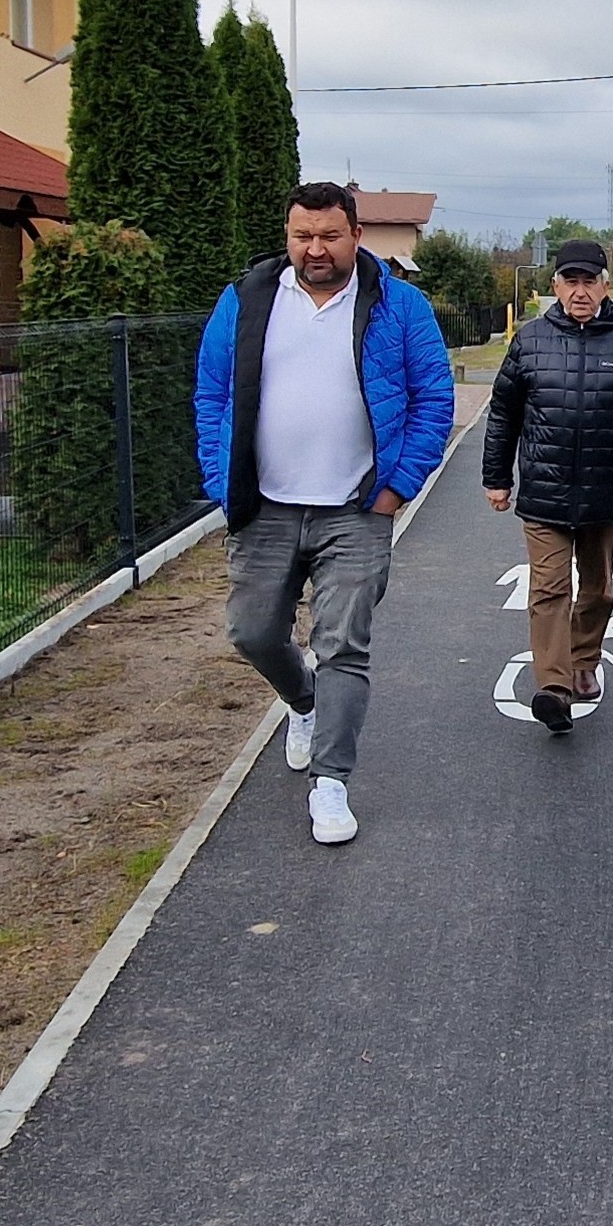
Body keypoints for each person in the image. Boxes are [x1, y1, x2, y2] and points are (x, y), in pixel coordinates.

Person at [195, 181, 455, 847]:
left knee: (342, 644)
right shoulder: (246, 299)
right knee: (252, 632)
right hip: (265, 505)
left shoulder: (400, 306)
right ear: (287, 236)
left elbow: (433, 396)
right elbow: (212, 392)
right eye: (302, 236)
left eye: (329, 236)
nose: (315, 249)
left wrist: (396, 489)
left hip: (356, 508)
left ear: (355, 236)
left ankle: (331, 781)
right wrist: (223, 481)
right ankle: (303, 701)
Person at [481, 238, 613, 734]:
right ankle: (553, 687)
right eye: (570, 282)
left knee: (597, 590)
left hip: (602, 493)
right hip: (544, 493)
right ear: (555, 286)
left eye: (589, 281)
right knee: (550, 588)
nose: (580, 291)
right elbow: (503, 414)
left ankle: (584, 658)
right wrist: (496, 477)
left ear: (605, 285)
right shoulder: (530, 341)